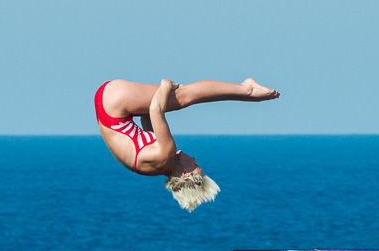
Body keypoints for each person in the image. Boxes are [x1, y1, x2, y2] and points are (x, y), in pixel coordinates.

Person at [94, 78, 280, 211]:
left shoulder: (165, 154)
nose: (194, 158)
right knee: (175, 100)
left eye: (196, 165)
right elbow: (148, 117)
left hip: (113, 102)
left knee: (184, 97)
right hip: (107, 106)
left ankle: (247, 89)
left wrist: (166, 87)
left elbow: (154, 108)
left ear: (185, 174)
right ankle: (248, 93)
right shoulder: (156, 167)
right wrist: (164, 98)